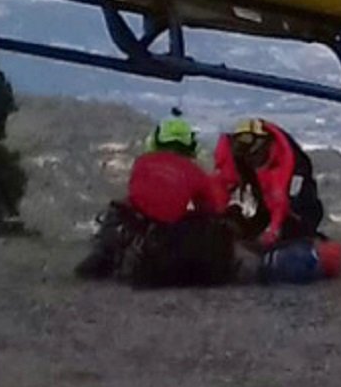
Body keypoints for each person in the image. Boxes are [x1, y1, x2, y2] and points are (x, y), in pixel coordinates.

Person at [76, 109, 237, 286]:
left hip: (143, 231)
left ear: (155, 140)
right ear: (191, 145)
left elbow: (136, 197)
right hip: (172, 237)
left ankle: (104, 256)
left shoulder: (142, 163)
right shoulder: (196, 173)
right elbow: (210, 208)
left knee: (119, 210)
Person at [213, 118, 326, 250]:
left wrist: (273, 232)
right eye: (248, 157)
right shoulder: (234, 154)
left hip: (295, 212)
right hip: (265, 208)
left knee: (295, 226)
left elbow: (282, 203)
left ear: (266, 145)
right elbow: (222, 182)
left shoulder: (292, 164)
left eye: (255, 155)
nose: (252, 161)